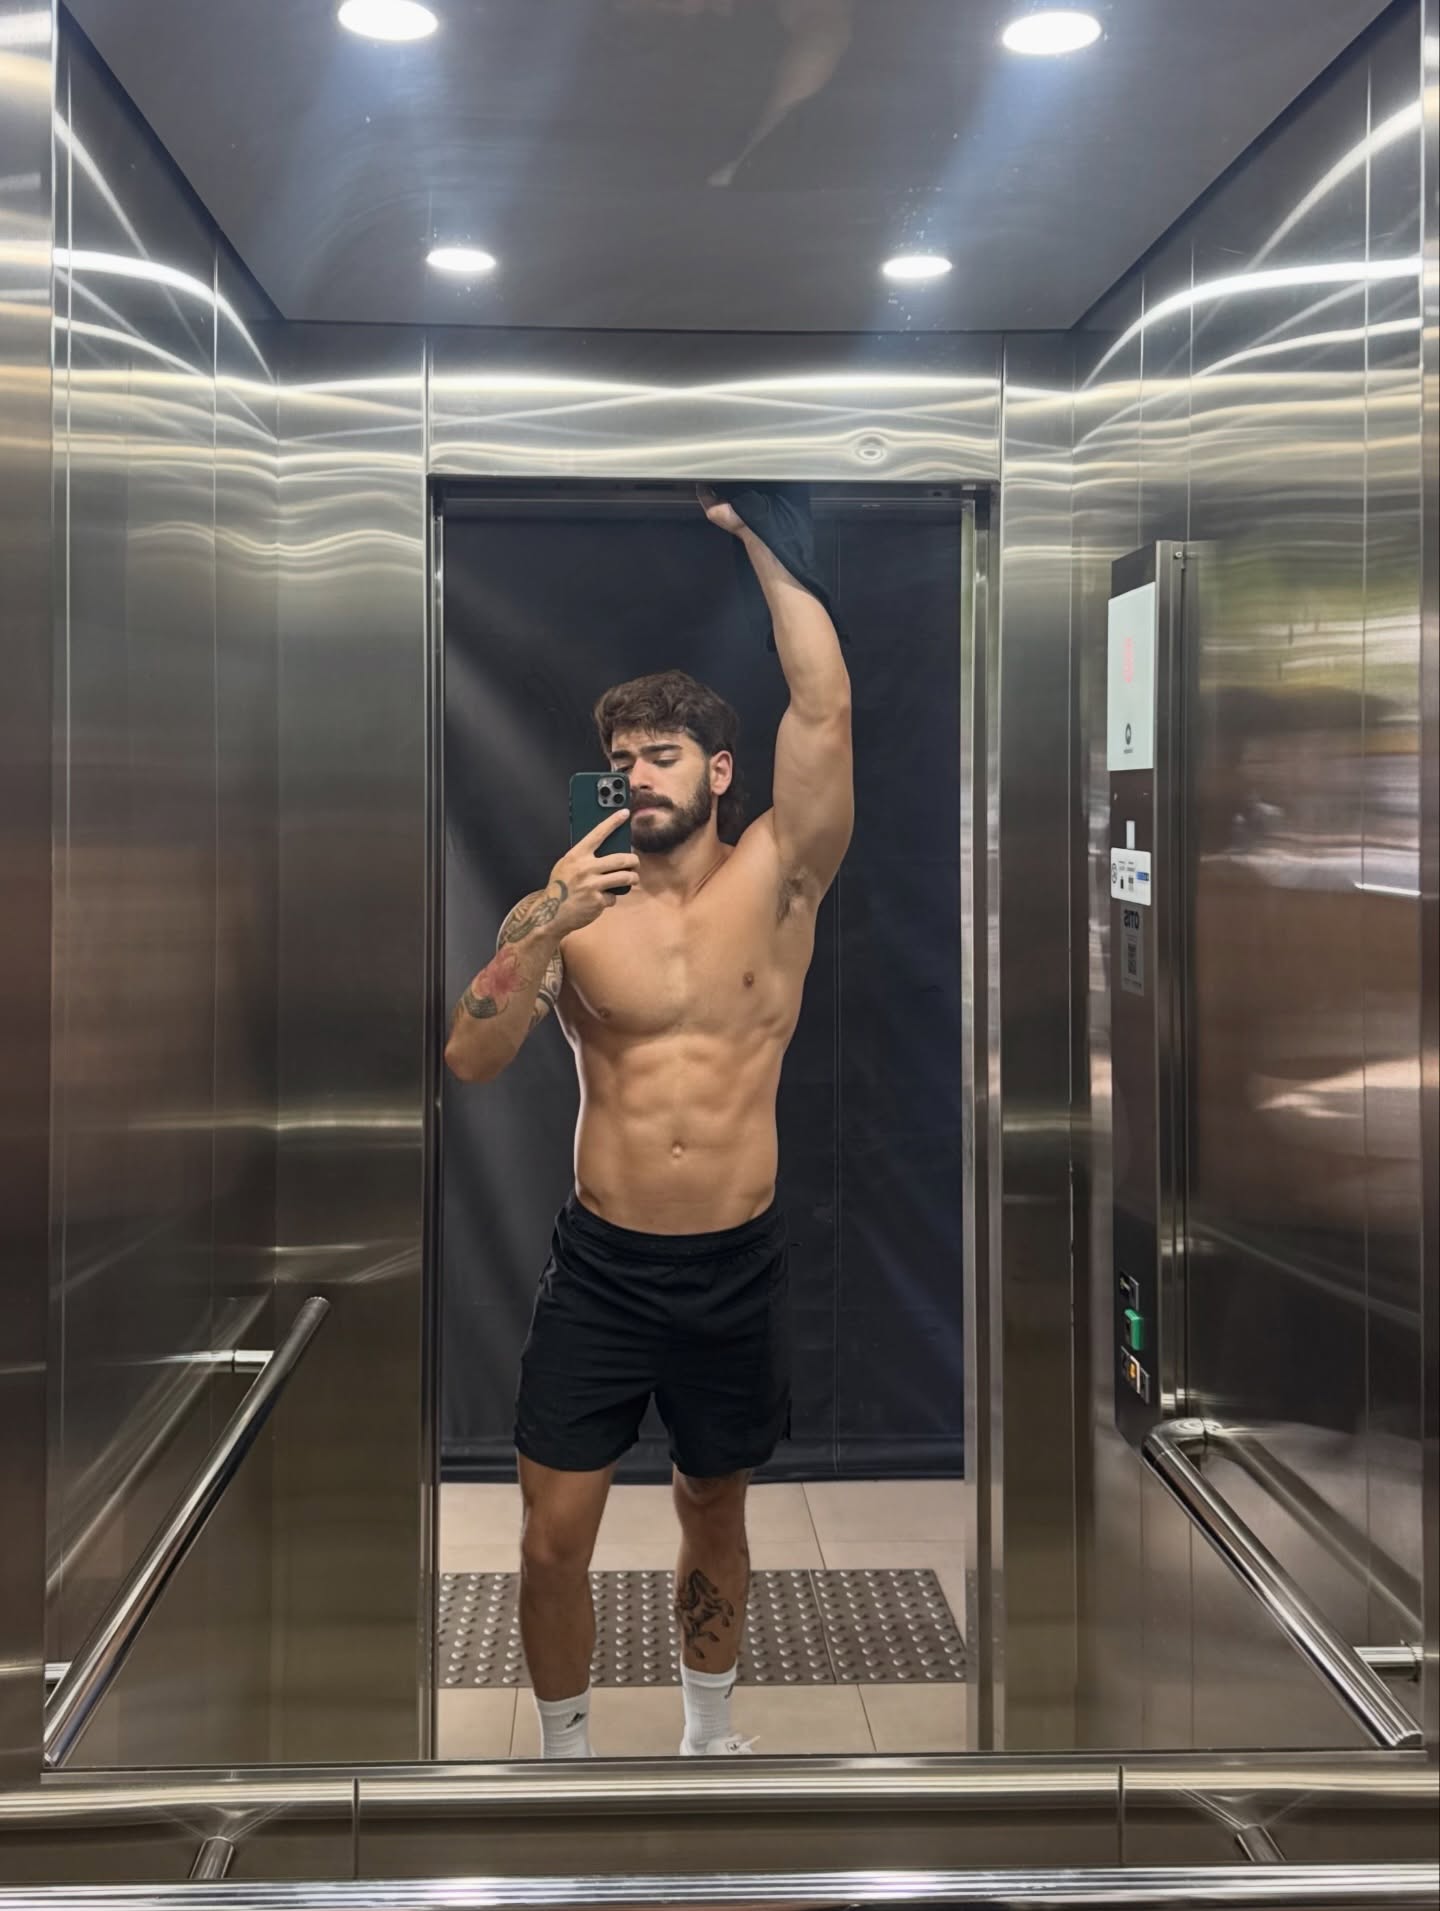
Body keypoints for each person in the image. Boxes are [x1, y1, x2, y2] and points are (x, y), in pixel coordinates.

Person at [444, 486, 853, 1758]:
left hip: (736, 1262)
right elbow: (471, 1056)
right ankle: (566, 1761)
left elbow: (825, 711)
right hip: (605, 1269)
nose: (636, 775)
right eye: (621, 759)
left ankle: (707, 1738)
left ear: (719, 771)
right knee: (550, 1539)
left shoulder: (780, 877)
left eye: (663, 754)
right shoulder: (568, 906)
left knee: (714, 1509)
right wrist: (545, 924)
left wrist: (761, 545)